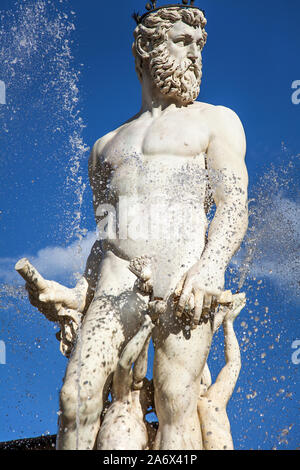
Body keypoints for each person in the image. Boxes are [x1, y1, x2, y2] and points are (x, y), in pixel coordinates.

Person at [25, 5, 248, 450]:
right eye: (184, 42)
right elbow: (106, 235)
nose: (195, 55)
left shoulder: (215, 120)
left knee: (174, 402)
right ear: (148, 46)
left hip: (185, 273)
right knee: (75, 398)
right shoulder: (104, 146)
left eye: (199, 45)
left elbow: (233, 206)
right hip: (115, 280)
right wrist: (77, 296)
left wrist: (209, 269)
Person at [97, 312, 155, 450]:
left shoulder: (149, 431)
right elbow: (124, 365)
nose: (142, 386)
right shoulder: (122, 399)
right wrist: (146, 331)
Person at [197, 293, 246, 450]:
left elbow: (233, 364)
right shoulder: (212, 402)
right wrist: (228, 324)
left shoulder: (208, 402)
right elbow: (234, 364)